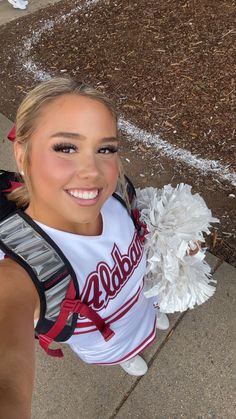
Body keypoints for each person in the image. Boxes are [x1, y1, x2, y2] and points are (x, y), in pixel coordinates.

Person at [0, 77, 170, 418]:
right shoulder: (20, 272)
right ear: (23, 154)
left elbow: (141, 236)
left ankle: (149, 321)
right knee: (123, 349)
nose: (92, 171)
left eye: (105, 149)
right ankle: (125, 356)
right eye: (66, 147)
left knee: (149, 313)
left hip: (141, 300)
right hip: (106, 341)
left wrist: (180, 248)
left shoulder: (116, 198)